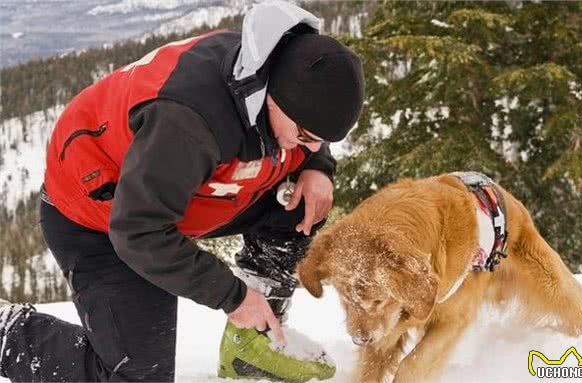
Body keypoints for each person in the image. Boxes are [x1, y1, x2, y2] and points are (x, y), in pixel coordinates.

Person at [0, 1, 364, 382]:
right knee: (138, 377)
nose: (308, 147)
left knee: (302, 206)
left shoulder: (287, 80)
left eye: (320, 141)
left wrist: (319, 168)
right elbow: (139, 232)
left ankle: (252, 344)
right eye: (306, 137)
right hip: (103, 219)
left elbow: (309, 136)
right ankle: (9, 333)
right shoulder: (187, 123)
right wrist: (233, 296)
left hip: (185, 198)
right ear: (272, 98)